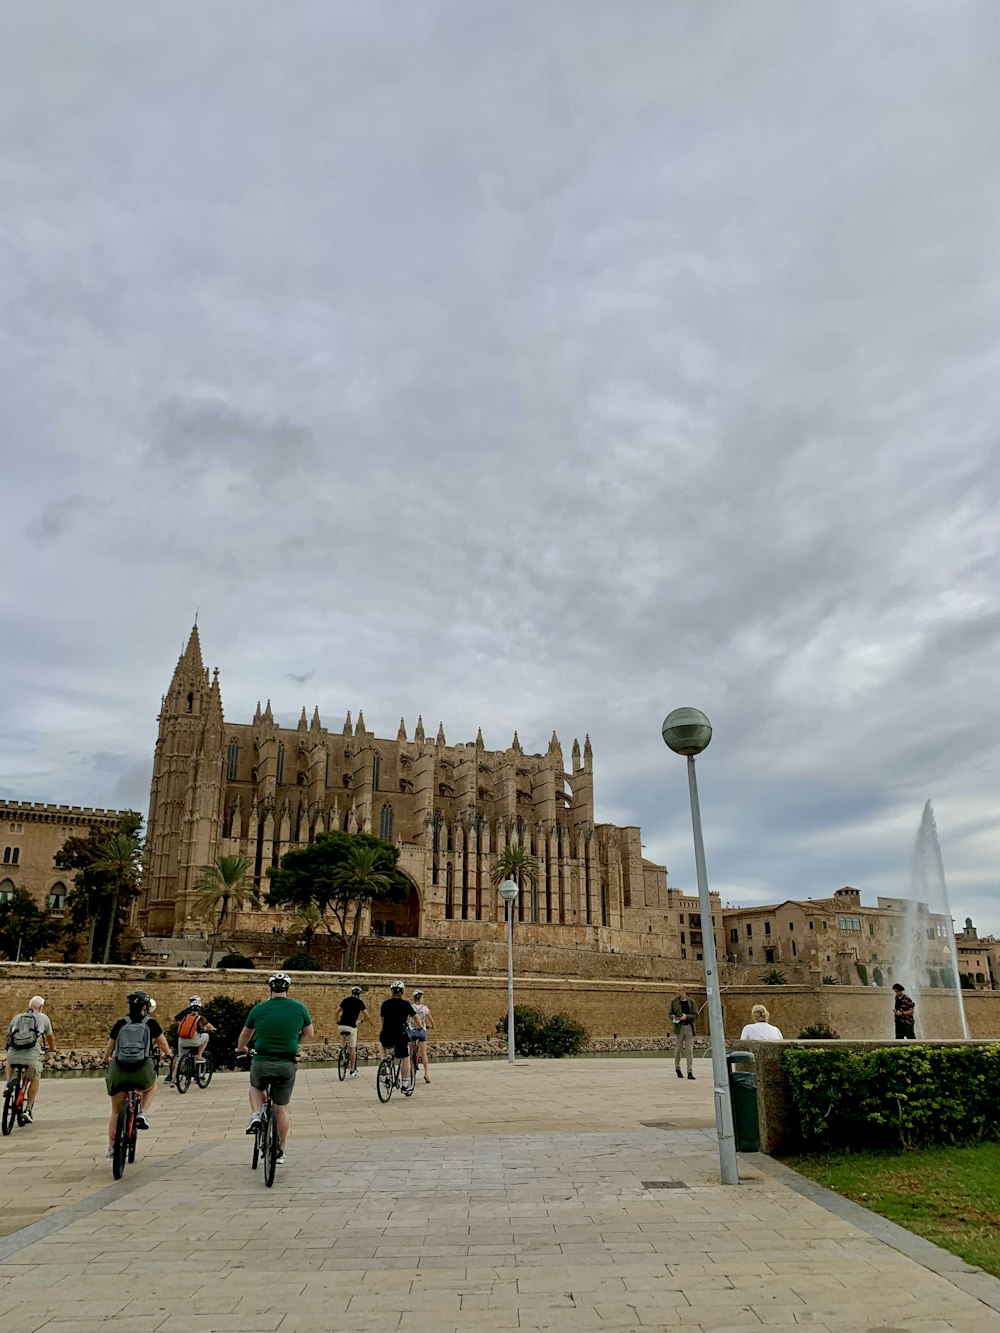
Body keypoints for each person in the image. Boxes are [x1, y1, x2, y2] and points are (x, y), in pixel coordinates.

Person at [236, 971, 313, 1166]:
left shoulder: (259, 1009)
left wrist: (241, 1049)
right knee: (281, 1108)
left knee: (255, 1086)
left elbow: (246, 1033)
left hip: (262, 1061)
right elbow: (309, 1034)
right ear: (288, 988)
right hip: (286, 1063)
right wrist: (295, 1042)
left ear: (270, 988)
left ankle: (255, 1115)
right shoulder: (299, 1008)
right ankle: (280, 1150)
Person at [102, 991, 170, 1158]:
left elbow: (110, 1047)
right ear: (145, 1007)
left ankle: (112, 1148)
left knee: (116, 1111)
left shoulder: (120, 1023)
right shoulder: (151, 1023)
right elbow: (163, 1044)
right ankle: (143, 1113)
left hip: (119, 1070)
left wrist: (105, 1060)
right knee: (152, 1086)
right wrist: (168, 1053)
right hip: (141, 1071)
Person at [5, 996, 55, 1123]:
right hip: (31, 1056)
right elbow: (50, 1037)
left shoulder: (17, 1017)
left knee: (9, 1062)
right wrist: (52, 1049)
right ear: (41, 1007)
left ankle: (8, 1084)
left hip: (13, 1053)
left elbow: (9, 1035)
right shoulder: (43, 1018)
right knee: (35, 1079)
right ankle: (28, 1109)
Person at [380, 980, 422, 1096]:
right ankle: (405, 1085)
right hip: (400, 1034)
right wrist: (420, 1027)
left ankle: (384, 1062)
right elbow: (416, 1018)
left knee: (382, 1043)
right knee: (405, 1057)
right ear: (402, 991)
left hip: (386, 1034)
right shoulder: (405, 1004)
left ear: (392, 991)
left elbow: (382, 1021)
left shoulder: (385, 1004)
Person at [166, 995, 217, 1086]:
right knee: (206, 1036)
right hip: (193, 1040)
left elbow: (176, 1019)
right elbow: (208, 1025)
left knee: (180, 1059)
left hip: (181, 1040)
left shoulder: (185, 1016)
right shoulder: (199, 1017)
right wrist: (213, 1029)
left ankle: (174, 1079)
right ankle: (200, 1055)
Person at [337, 985, 367, 1077]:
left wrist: (337, 1021)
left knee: (343, 1036)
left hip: (341, 1026)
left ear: (352, 993)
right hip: (351, 1027)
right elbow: (367, 1015)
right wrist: (360, 1021)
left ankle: (342, 1050)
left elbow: (336, 1012)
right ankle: (352, 1069)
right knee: (352, 1047)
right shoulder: (360, 1002)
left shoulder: (345, 1000)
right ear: (359, 994)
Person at [669, 985, 697, 1080]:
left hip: (689, 1027)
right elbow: (669, 1014)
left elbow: (695, 1015)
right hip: (679, 1028)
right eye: (676, 990)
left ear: (684, 991)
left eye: (679, 990)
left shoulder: (692, 1002)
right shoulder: (674, 1002)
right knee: (678, 1049)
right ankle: (677, 1068)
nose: (677, 992)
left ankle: (690, 1071)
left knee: (689, 1050)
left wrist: (686, 1017)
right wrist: (674, 1017)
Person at [408, 989, 434, 1084]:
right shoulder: (425, 1008)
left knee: (410, 1053)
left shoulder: (411, 1007)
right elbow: (432, 1021)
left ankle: (410, 1073)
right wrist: (432, 1026)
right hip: (421, 1031)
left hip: (412, 1031)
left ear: (414, 998)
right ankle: (426, 1074)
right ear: (421, 998)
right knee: (424, 1053)